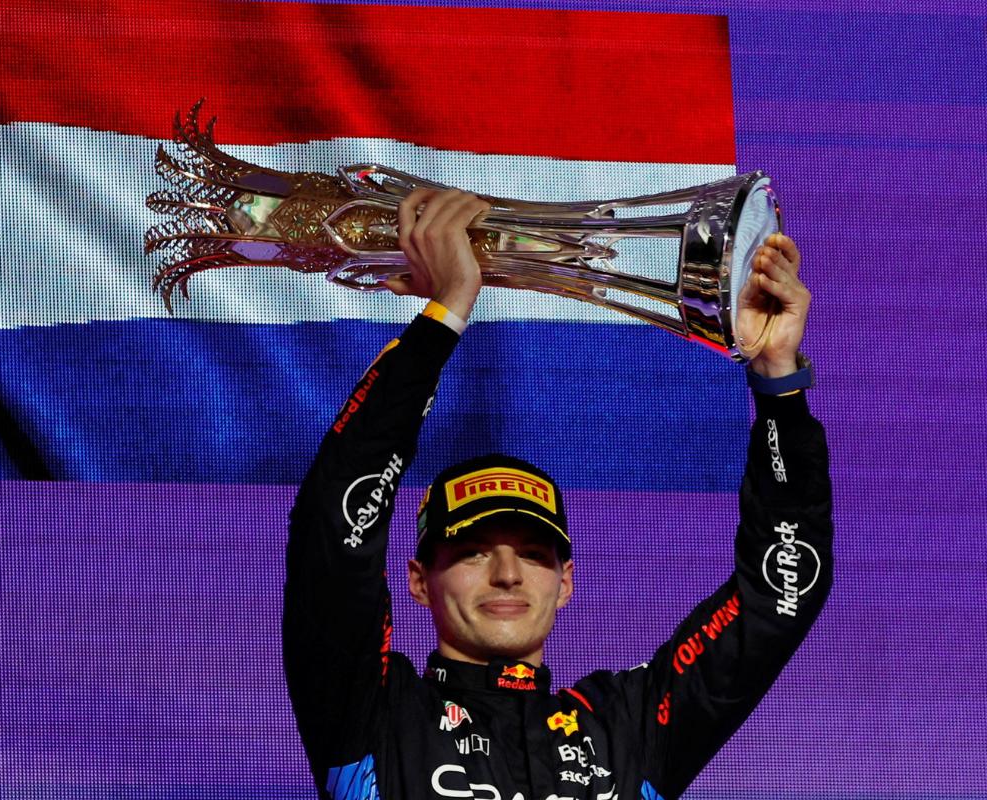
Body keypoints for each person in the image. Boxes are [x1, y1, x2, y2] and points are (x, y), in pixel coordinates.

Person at [285, 189, 832, 800]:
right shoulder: (371, 714)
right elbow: (332, 538)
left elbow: (782, 593)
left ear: (566, 581)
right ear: (419, 579)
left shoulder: (627, 730)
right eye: (471, 551)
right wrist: (444, 315)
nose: (507, 574)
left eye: (535, 553)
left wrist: (778, 382)